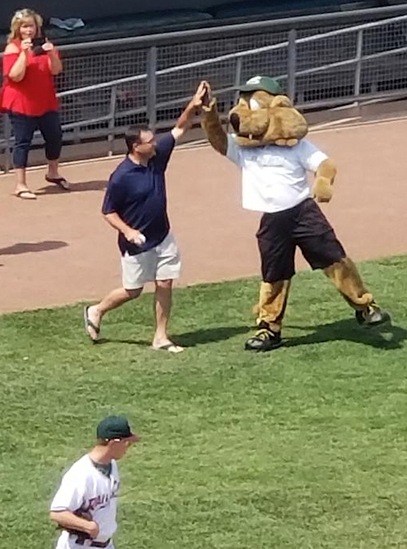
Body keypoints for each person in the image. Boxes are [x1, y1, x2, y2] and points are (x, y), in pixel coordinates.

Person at [83, 81, 207, 352]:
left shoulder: (156, 157)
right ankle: (96, 310)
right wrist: (127, 231)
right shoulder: (121, 177)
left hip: (163, 235)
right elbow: (108, 212)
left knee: (165, 282)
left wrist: (193, 105)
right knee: (133, 290)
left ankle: (160, 336)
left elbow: (179, 128)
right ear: (135, 147)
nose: (155, 143)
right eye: (149, 141)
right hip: (137, 243)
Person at [1, 8, 68, 200]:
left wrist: (51, 53)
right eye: (24, 26)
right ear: (17, 29)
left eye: (30, 26)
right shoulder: (12, 48)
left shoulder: (47, 45)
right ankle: (20, 184)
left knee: (55, 136)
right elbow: (15, 76)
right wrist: (24, 53)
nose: (28, 30)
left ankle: (53, 172)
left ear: (37, 27)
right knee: (23, 141)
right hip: (22, 102)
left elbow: (56, 71)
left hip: (45, 100)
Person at [50, 415, 139, 549]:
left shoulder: (112, 465)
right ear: (114, 443)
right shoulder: (81, 474)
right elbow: (57, 512)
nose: (128, 447)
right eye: (127, 443)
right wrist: (87, 526)